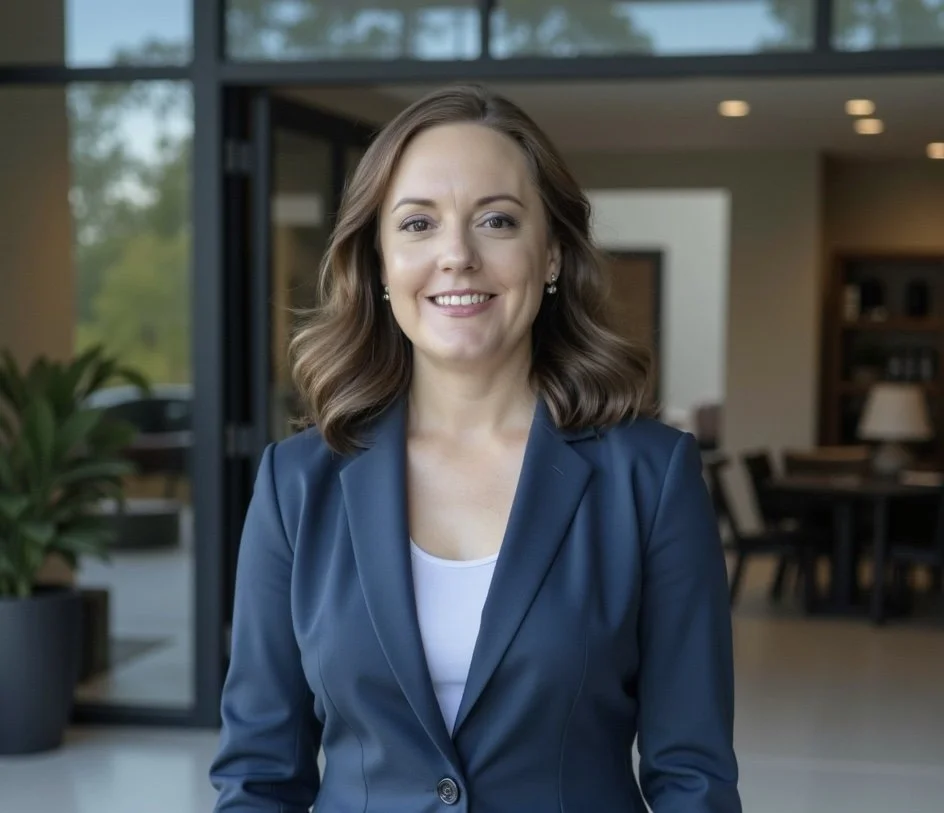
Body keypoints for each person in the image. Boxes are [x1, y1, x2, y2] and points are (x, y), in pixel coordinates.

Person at [209, 84, 741, 813]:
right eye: (419, 223)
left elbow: (694, 778)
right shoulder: (295, 484)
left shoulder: (649, 478)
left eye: (496, 219)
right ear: (380, 264)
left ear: (550, 253)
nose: (456, 255)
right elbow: (258, 778)